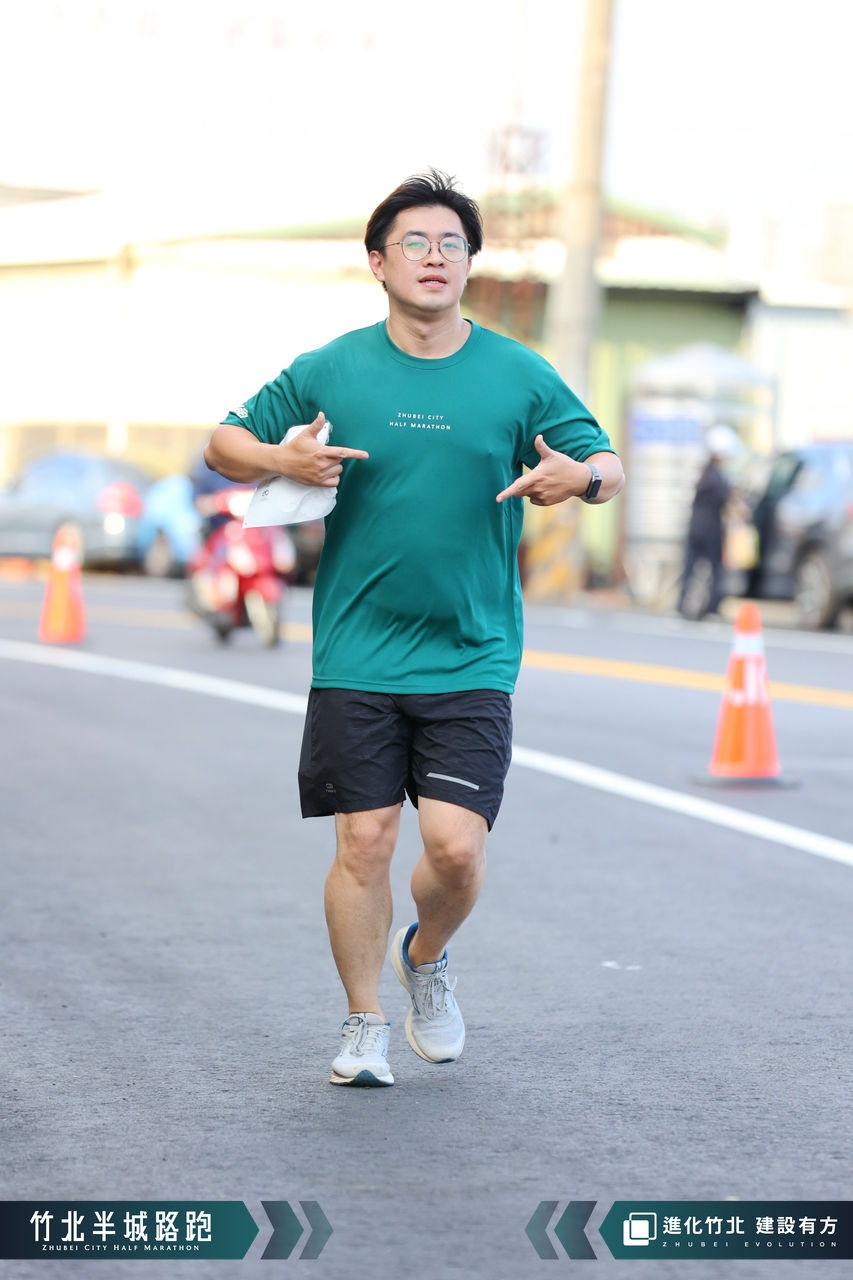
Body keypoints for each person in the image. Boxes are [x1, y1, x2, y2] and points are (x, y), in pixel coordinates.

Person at [203, 169, 625, 1088]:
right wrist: (280, 457)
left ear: (469, 264)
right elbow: (222, 443)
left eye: (452, 245)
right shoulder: (333, 368)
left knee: (455, 849)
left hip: (472, 650)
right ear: (377, 262)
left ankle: (424, 957)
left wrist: (582, 479)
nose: (435, 258)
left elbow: (605, 462)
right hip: (356, 649)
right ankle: (362, 1024)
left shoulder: (517, 373)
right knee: (363, 841)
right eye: (415, 244)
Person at [678, 424, 742, 619]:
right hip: (711, 527)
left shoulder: (705, 473)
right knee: (715, 569)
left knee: (690, 567)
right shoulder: (717, 477)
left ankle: (681, 606)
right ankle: (712, 608)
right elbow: (727, 501)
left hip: (696, 525)